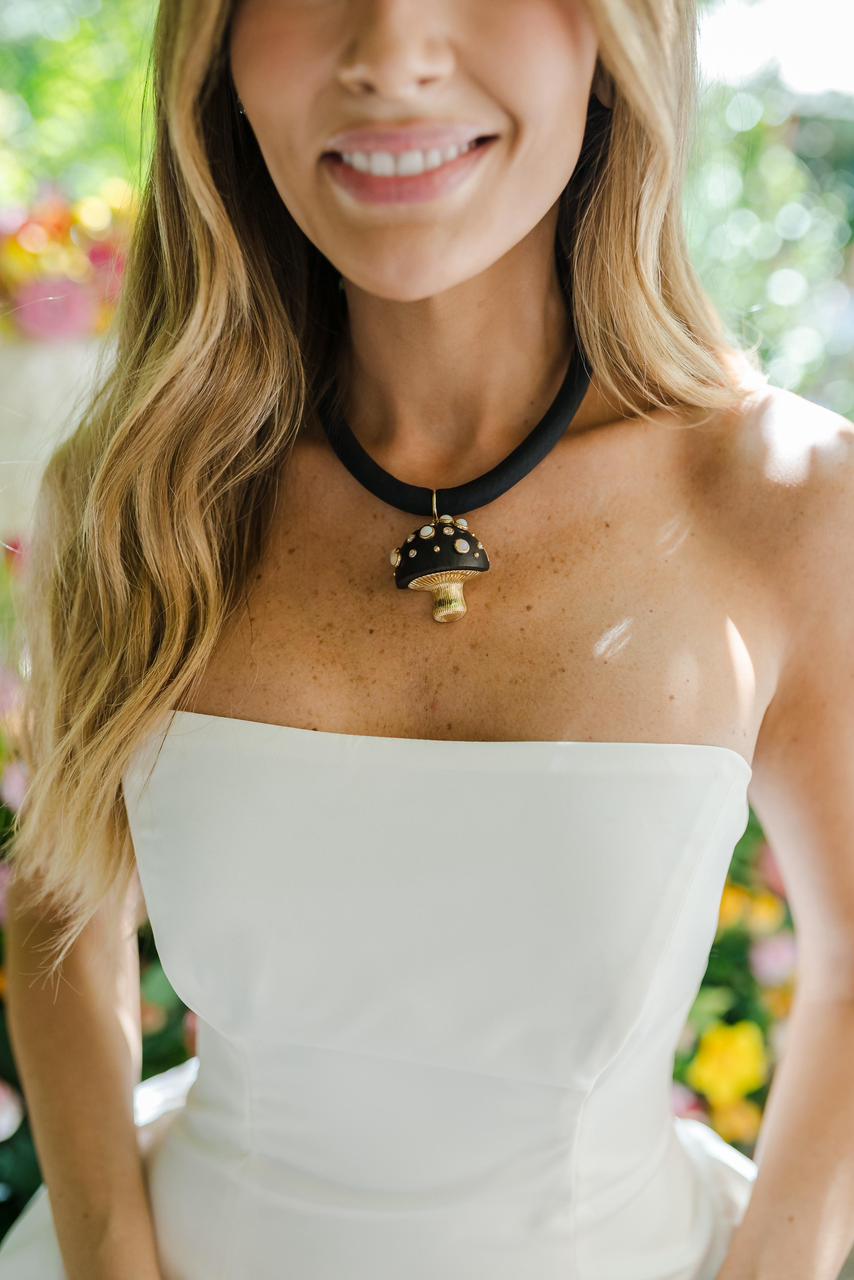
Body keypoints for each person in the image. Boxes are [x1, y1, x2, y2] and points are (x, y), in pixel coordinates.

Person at [1, 0, 853, 1277]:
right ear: (217, 49)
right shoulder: (137, 498)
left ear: (615, 43)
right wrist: (111, 1259)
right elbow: (62, 908)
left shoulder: (790, 506)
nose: (391, 53)